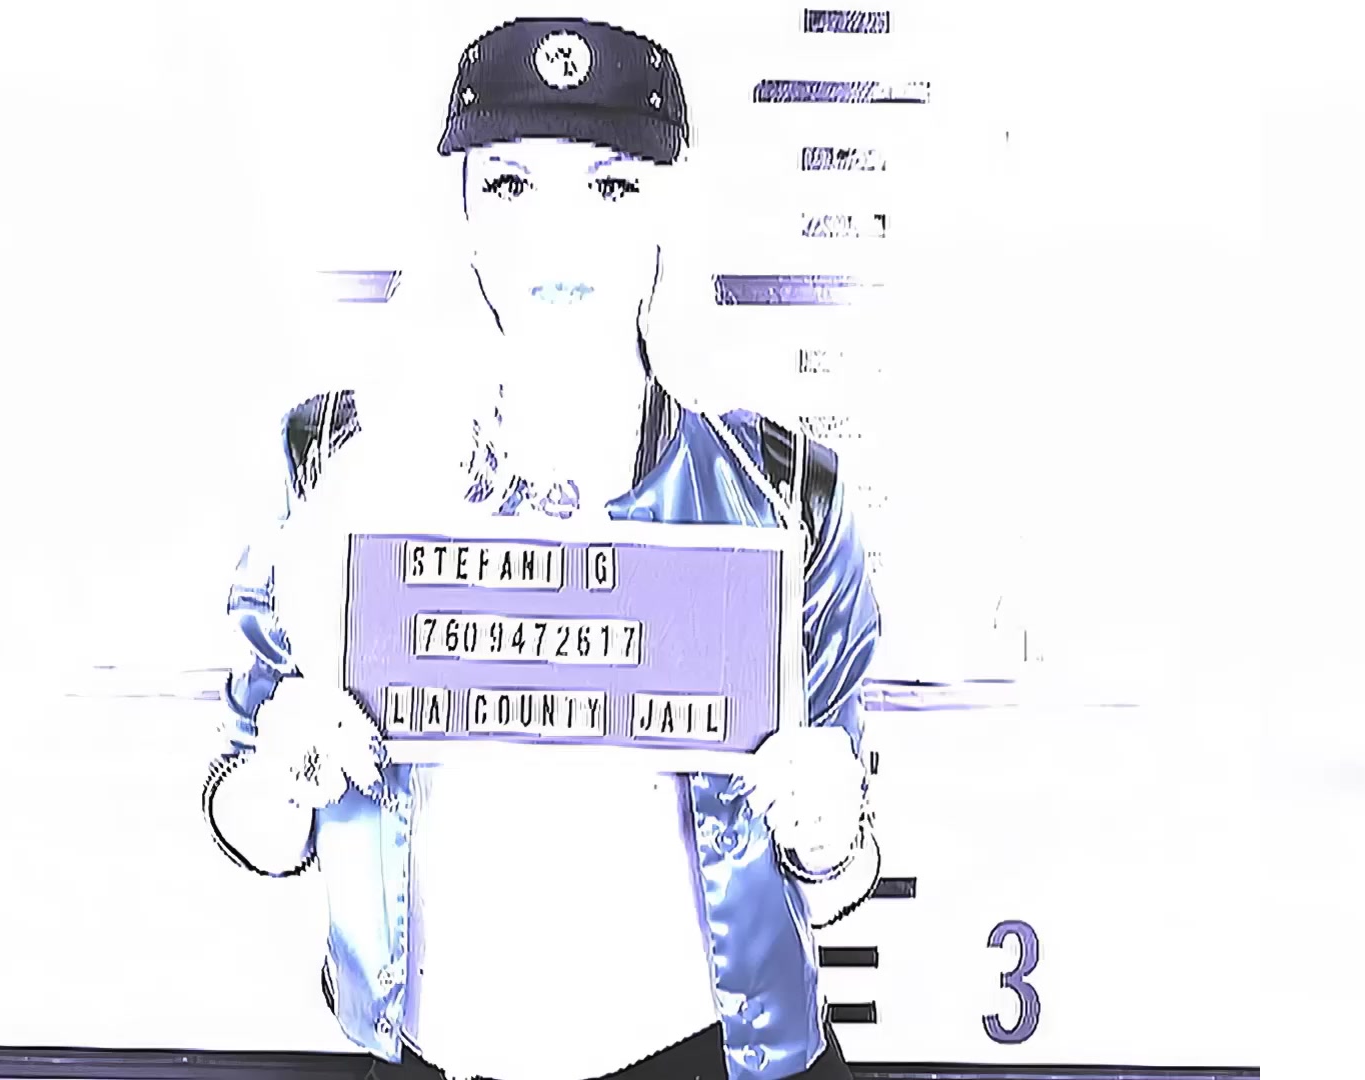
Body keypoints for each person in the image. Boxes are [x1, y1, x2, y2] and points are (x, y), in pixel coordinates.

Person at [203, 18, 884, 1080]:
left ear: (668, 214)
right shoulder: (336, 463)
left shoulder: (784, 495)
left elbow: (839, 872)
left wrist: (829, 834)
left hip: (700, 1054)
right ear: (465, 216)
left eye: (611, 188)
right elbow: (250, 818)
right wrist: (287, 778)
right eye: (513, 185)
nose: (559, 237)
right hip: (431, 1054)